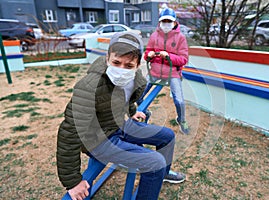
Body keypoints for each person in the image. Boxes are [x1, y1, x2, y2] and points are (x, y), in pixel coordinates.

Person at [56, 32, 185, 200]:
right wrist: (72, 182)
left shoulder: (135, 78)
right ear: (108, 58)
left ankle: (161, 175)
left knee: (167, 136)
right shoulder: (89, 86)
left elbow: (125, 96)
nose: (121, 70)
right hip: (98, 140)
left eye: (128, 65)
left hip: (118, 125)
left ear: (138, 64)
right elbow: (69, 132)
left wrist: (132, 111)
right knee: (154, 163)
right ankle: (155, 174)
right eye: (116, 62)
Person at [137, 7, 190, 134]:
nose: (166, 24)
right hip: (155, 71)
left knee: (179, 100)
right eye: (164, 21)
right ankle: (144, 112)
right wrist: (148, 55)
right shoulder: (154, 36)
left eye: (169, 21)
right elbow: (148, 51)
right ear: (160, 22)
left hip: (173, 73)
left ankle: (181, 119)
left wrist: (168, 56)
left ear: (174, 22)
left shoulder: (180, 38)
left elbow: (183, 59)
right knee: (138, 93)